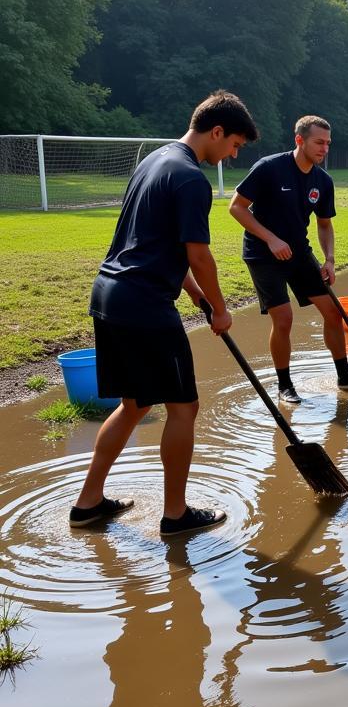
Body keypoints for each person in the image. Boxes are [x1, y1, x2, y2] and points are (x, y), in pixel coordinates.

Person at [70, 91, 259, 537]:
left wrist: (194, 296)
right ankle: (176, 515)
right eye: (234, 145)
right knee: (184, 407)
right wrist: (220, 308)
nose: (232, 156)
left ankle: (88, 503)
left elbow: (156, 243)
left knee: (134, 405)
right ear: (217, 131)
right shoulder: (192, 179)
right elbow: (198, 254)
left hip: (109, 295)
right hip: (144, 305)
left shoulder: (154, 161)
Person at [229, 115, 348, 404]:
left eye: (328, 143)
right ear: (299, 140)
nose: (324, 149)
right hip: (262, 253)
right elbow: (237, 208)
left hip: (298, 251)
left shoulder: (323, 180)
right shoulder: (269, 168)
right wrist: (270, 239)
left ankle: (344, 375)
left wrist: (329, 260)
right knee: (283, 319)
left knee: (333, 312)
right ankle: (284, 386)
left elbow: (323, 224)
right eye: (319, 142)